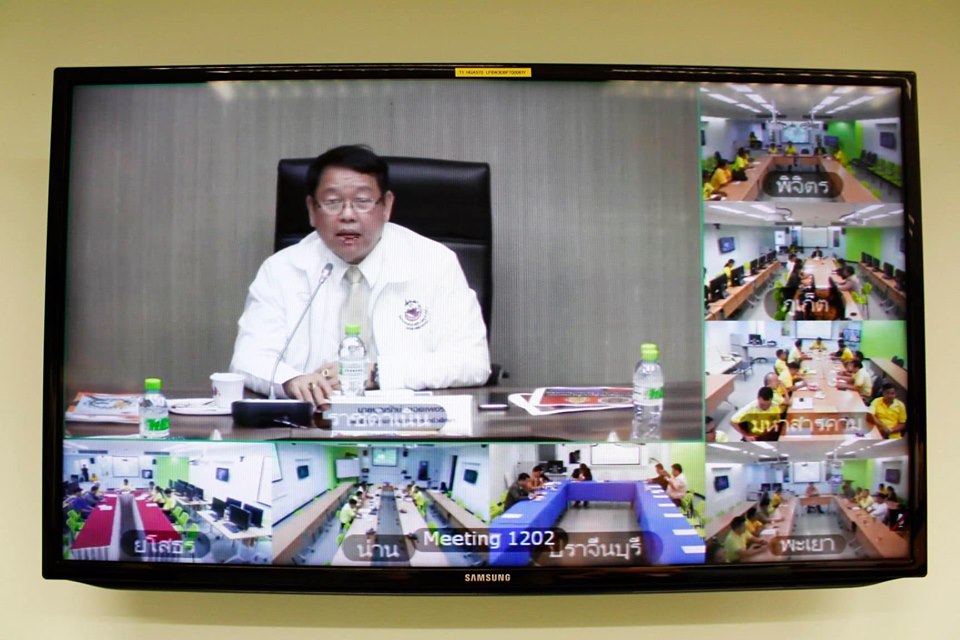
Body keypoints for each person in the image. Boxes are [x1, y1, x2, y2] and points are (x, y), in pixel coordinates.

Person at [230, 144, 491, 405]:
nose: (347, 215)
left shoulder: (434, 262)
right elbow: (247, 359)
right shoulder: (281, 270)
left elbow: (472, 362)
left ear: (386, 206)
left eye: (362, 201)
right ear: (311, 209)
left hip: (405, 418)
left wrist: (377, 374)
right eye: (332, 202)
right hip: (311, 418)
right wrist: (290, 380)